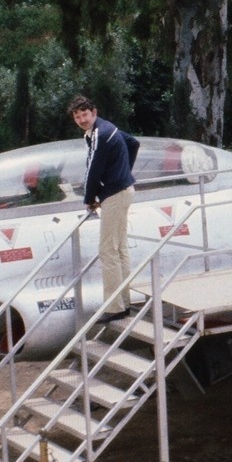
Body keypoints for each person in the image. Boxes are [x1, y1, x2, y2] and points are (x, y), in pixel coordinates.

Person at [68, 95, 136, 323]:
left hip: (115, 195)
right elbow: (133, 143)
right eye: (77, 117)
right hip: (123, 190)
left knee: (107, 250)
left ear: (93, 112)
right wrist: (123, 173)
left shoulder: (100, 134)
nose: (82, 120)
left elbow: (92, 171)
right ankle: (125, 302)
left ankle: (115, 307)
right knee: (119, 248)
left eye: (84, 115)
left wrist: (89, 199)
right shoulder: (108, 127)